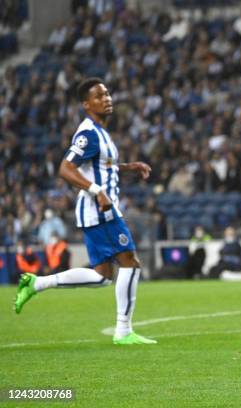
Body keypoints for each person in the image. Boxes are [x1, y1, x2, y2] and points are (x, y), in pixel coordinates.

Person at [14, 77, 157, 345]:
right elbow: (65, 168)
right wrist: (97, 191)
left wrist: (129, 166)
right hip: (100, 209)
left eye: (107, 94)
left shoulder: (101, 134)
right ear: (86, 104)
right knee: (131, 263)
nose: (107, 99)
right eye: (99, 96)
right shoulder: (88, 133)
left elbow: (103, 166)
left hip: (98, 209)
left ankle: (37, 284)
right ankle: (124, 331)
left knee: (102, 276)